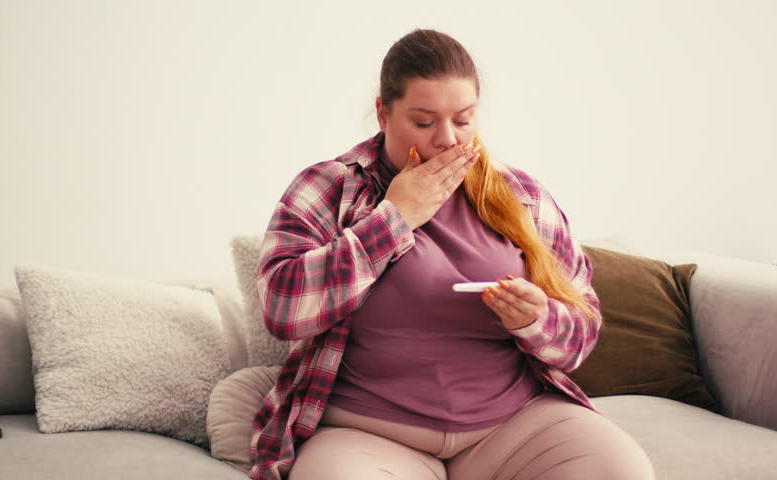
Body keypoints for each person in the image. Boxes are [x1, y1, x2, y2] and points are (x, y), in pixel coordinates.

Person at [248, 28, 655, 480]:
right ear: (383, 114)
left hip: (511, 429)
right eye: (424, 122)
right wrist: (394, 219)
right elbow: (281, 309)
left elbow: (582, 333)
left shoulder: (524, 197)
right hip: (369, 435)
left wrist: (537, 320)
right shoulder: (329, 188)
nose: (447, 139)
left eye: (462, 120)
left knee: (623, 470)